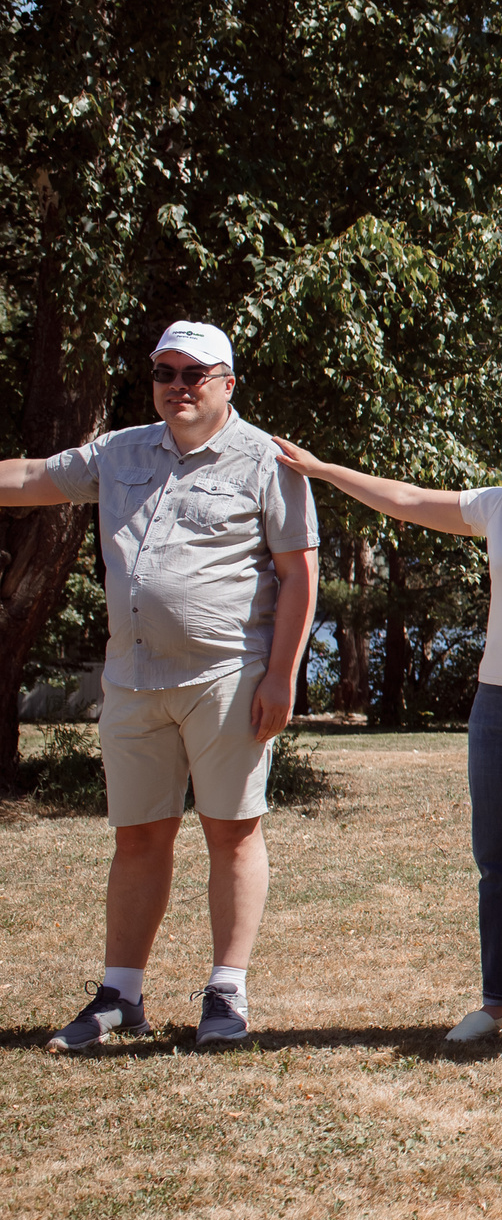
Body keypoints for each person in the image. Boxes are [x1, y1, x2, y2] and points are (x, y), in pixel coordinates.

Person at [274, 384, 502, 1057]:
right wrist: (324, 469)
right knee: (501, 863)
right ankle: (498, 999)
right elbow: (410, 500)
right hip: (498, 706)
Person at [1, 322, 318, 1051]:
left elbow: (299, 573)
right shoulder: (120, 451)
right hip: (134, 678)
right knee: (138, 835)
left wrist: (281, 675)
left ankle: (226, 993)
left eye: (195, 373)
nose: (178, 385)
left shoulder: (269, 460)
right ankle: (120, 994)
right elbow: (32, 478)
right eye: (165, 371)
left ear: (227, 382)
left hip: (228, 676)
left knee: (232, 832)